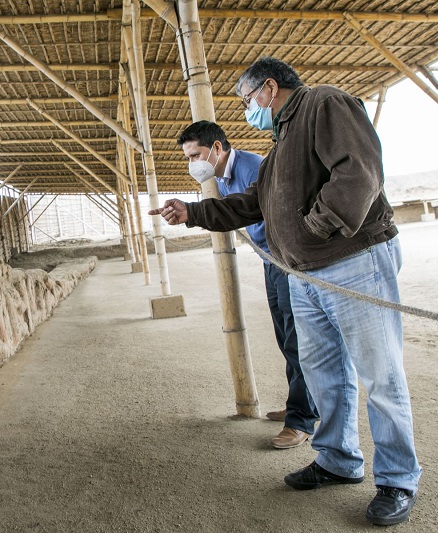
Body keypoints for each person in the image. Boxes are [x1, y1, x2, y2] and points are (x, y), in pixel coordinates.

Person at [150, 57, 421, 526]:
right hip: (307, 275)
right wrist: (193, 213)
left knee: (380, 375)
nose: (247, 110)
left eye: (247, 100)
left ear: (269, 88)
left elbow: (359, 173)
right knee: (322, 372)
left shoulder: (325, 103)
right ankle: (338, 460)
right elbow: (254, 204)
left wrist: (315, 230)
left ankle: (398, 478)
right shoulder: (280, 146)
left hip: (351, 262)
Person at [178, 120, 318, 450]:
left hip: (287, 260)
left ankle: (300, 420)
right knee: (285, 336)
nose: (191, 164)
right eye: (187, 157)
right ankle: (303, 404)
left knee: (297, 338)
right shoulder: (222, 178)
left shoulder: (254, 168)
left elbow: (261, 210)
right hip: (272, 261)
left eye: (194, 155)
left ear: (216, 148)